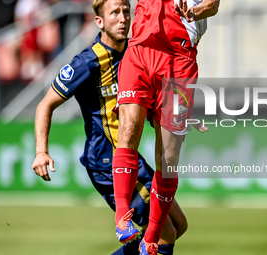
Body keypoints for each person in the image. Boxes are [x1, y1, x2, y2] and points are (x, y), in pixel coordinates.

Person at [32, 0, 193, 254]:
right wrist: (41, 151)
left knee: (179, 225)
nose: (122, 19)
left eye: (126, 12)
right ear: (100, 22)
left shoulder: (136, 52)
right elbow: (44, 105)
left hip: (131, 157)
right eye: (114, 13)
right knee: (166, 234)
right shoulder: (87, 62)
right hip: (106, 162)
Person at [112, 0, 218, 254]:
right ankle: (122, 219)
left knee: (167, 159)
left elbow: (213, 4)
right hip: (141, 48)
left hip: (179, 59)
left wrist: (196, 11)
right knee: (128, 130)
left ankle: (152, 236)